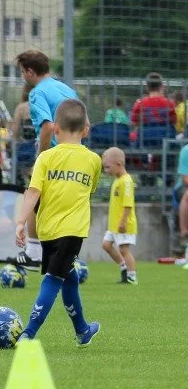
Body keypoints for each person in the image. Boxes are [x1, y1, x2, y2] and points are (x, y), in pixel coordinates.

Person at [13, 99, 101, 346]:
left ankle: (82, 330)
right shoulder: (94, 160)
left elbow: (32, 192)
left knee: (68, 277)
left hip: (47, 230)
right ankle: (28, 333)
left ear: (55, 129)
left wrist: (20, 222)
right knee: (55, 278)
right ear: (86, 129)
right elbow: (88, 191)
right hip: (73, 230)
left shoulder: (45, 158)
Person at [14, 49, 78, 267]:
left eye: (23, 72)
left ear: (30, 71)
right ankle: (68, 255)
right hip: (77, 153)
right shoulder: (66, 89)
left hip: (55, 154)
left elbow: (48, 126)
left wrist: (41, 157)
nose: (23, 76)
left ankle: (33, 253)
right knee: (64, 203)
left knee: (33, 194)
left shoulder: (37, 93)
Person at [100, 147, 138, 284]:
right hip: (114, 224)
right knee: (106, 245)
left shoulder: (126, 181)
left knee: (124, 249)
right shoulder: (117, 180)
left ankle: (132, 276)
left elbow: (128, 205)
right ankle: (124, 268)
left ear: (119, 164)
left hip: (124, 224)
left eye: (108, 167)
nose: (106, 170)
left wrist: (123, 222)